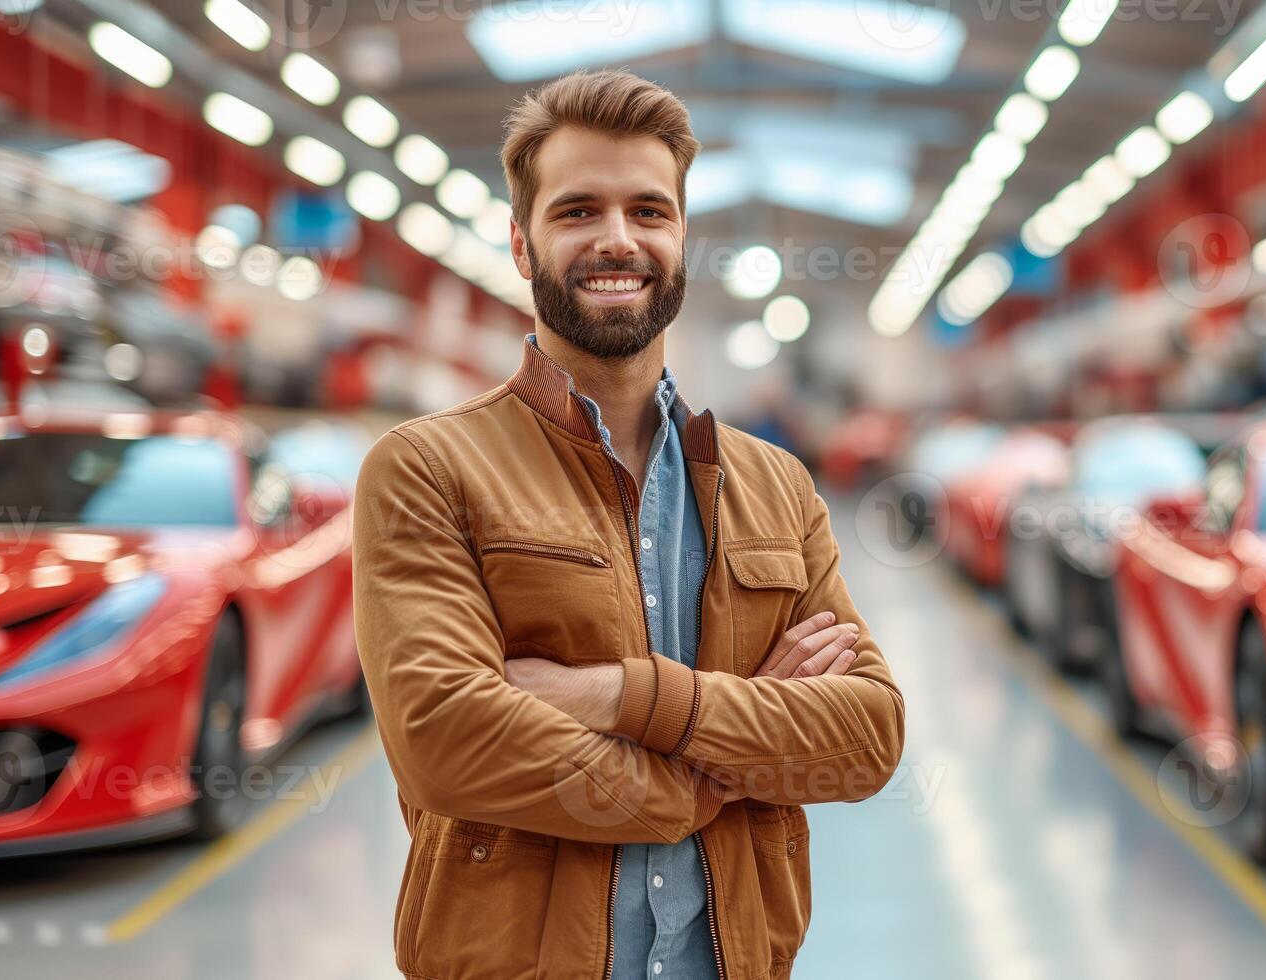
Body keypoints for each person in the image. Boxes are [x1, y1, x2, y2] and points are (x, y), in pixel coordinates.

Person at [351, 69, 905, 980]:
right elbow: (445, 740)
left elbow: (866, 736)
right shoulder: (428, 470)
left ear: (682, 239)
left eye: (650, 211)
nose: (619, 239)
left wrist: (619, 696)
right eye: (577, 212)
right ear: (523, 248)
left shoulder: (776, 487)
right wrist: (710, 772)